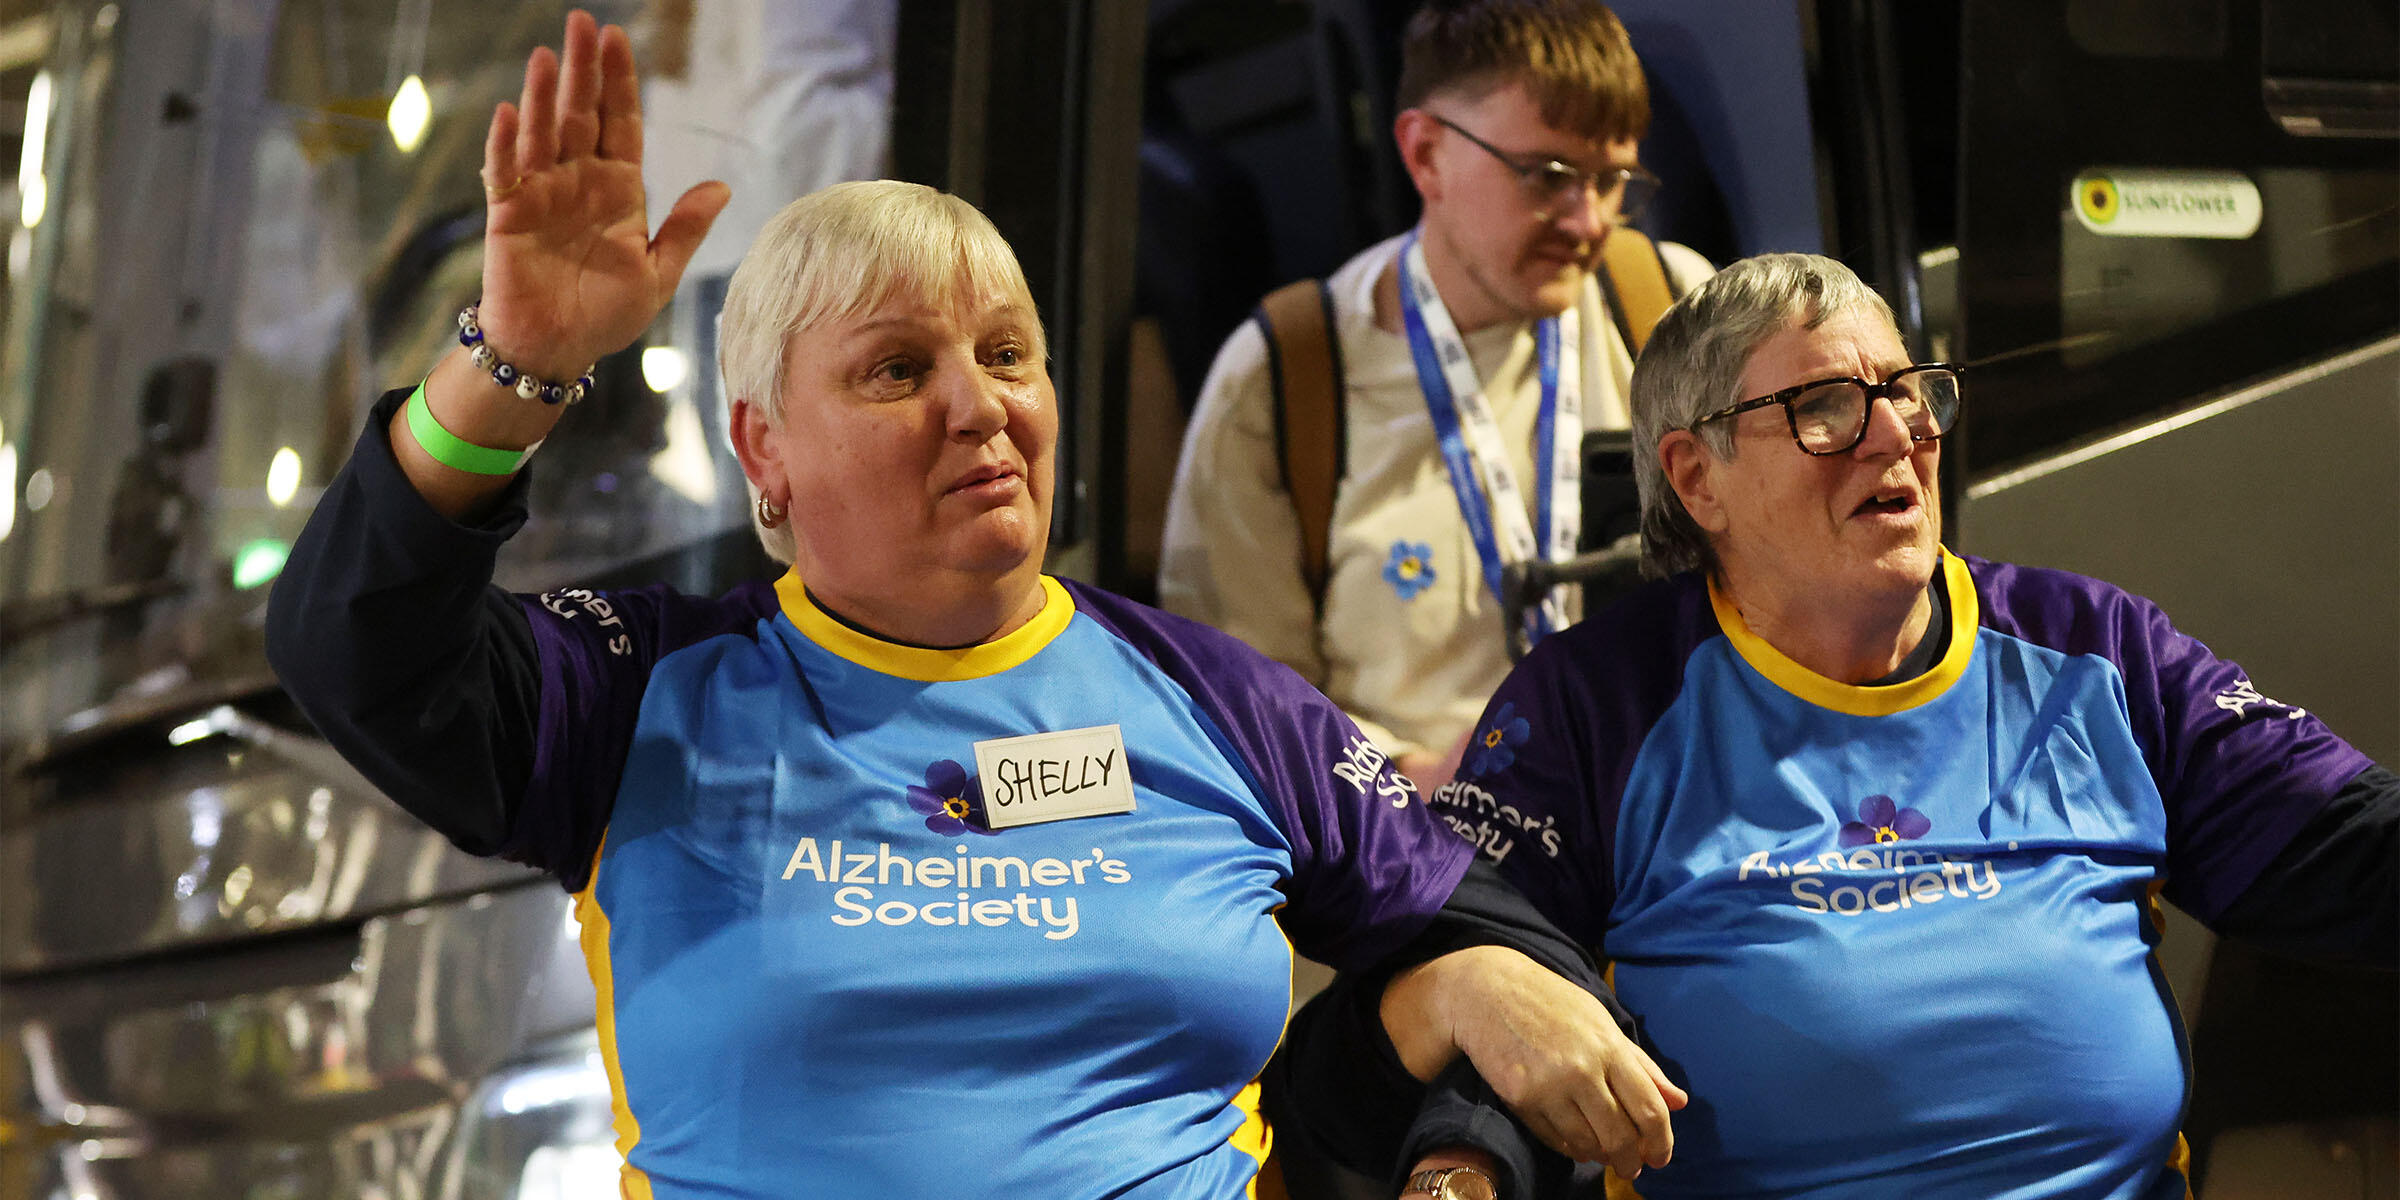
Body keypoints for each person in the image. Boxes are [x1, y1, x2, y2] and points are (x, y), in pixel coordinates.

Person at [263, 13, 1682, 1197]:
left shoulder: (1218, 702)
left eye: (1009, 353)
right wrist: (509, 365)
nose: (980, 408)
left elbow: (1475, 930)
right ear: (765, 450)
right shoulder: (647, 696)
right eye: (895, 369)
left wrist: (1459, 1121)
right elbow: (356, 647)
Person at [1411, 252, 2397, 1196]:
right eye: (1826, 408)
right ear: (1696, 476)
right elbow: (1483, 1007)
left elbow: (2352, 849)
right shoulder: (1601, 704)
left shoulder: (2090, 652)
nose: (1899, 436)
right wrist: (1462, 1172)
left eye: (1910, 389)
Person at [1159, 0, 1713, 793]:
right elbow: (1235, 691)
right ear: (1425, 155)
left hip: (1672, 811)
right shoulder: (1284, 375)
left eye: (1612, 179)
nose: (1587, 221)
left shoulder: (1675, 312)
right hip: (1416, 851)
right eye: (1549, 176)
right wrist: (1409, 775)